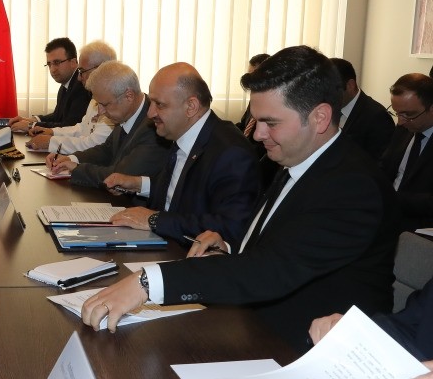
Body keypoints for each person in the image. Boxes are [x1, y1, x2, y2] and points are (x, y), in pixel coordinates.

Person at [80, 45, 399, 351]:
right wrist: (230, 246)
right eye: (257, 120)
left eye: (270, 123)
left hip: (301, 350)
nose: (258, 135)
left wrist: (148, 283)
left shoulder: (353, 186)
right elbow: (278, 242)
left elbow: (270, 271)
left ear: (319, 117)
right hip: (258, 325)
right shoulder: (300, 159)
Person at [103, 63, 260, 247]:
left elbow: (230, 227)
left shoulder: (231, 153)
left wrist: (154, 220)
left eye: (159, 104)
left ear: (191, 106)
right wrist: (139, 185)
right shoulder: (183, 134)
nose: (150, 112)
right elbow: (180, 192)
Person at [46, 61, 170, 187]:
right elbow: (106, 150)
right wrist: (71, 159)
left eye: (104, 104)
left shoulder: (153, 126)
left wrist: (76, 169)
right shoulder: (126, 113)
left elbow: (121, 175)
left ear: (129, 96)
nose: (100, 111)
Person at [26, 40, 117, 153]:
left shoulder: (114, 101)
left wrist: (52, 141)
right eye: (49, 64)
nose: (79, 77)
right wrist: (52, 133)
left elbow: (94, 144)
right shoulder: (95, 98)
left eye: (82, 71)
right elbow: (82, 128)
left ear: (101, 69)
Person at [379, 73, 433, 231]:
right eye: (397, 112)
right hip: (384, 216)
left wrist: (391, 198)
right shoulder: (405, 128)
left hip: (418, 229)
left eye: (408, 115)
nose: (400, 121)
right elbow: (385, 167)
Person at [10, 37, 91, 133]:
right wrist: (33, 120)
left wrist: (31, 126)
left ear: (73, 63)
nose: (52, 69)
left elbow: (69, 126)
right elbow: (57, 116)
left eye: (57, 62)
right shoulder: (64, 86)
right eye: (49, 64)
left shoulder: (81, 86)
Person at [329, 58, 394, 160]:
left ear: (350, 85)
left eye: (330, 90)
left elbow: (377, 164)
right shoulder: (326, 107)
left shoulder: (377, 117)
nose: (325, 96)